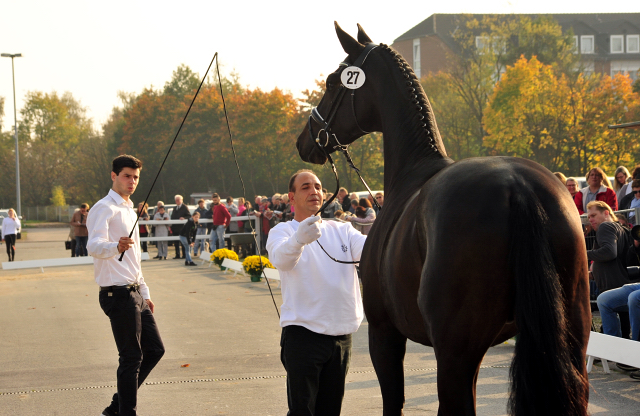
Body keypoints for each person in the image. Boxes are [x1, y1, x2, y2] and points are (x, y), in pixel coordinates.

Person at [267, 169, 367, 415]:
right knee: (303, 411)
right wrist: (299, 239)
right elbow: (282, 260)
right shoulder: (283, 231)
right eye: (305, 187)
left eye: (318, 186)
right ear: (291, 198)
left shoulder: (342, 229)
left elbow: (371, 250)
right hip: (304, 334)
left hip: (342, 336)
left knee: (330, 410)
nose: (315, 191)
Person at [87, 155, 164, 416]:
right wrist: (114, 246)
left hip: (134, 293)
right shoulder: (103, 208)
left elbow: (134, 259)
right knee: (131, 358)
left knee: (154, 349)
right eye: (126, 176)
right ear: (113, 175)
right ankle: (125, 412)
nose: (132, 182)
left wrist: (145, 293)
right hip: (116, 294)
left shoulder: (130, 210)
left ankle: (116, 407)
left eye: (136, 177)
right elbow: (93, 246)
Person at [170, 195, 191, 259]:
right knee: (176, 242)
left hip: (182, 227)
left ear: (181, 200)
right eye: (176, 200)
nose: (177, 201)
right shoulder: (175, 208)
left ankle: (184, 255)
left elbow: (189, 216)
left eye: (178, 200)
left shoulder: (185, 207)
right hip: (175, 227)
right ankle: (177, 255)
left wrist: (184, 218)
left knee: (183, 242)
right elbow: (172, 217)